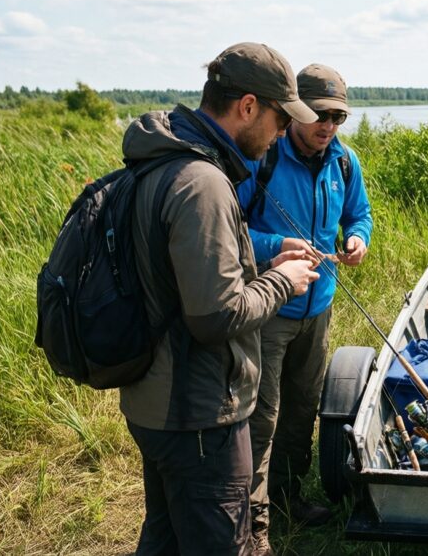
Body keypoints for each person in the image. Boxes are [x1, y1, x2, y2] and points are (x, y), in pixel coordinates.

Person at [119, 42, 322, 555]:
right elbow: (216, 315)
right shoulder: (203, 181)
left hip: (154, 401)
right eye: (280, 119)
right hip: (199, 415)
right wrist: (283, 282)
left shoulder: (162, 159)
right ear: (248, 106)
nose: (281, 133)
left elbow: (183, 267)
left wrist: (263, 263)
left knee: (164, 538)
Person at [236, 63, 373, 553]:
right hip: (269, 310)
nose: (328, 126)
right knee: (262, 416)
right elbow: (230, 230)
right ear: (295, 111)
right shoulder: (262, 160)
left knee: (302, 409)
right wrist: (276, 246)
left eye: (337, 116)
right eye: (319, 114)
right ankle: (252, 524)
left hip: (320, 310)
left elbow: (360, 214)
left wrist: (357, 239)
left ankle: (288, 497)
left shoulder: (344, 163)